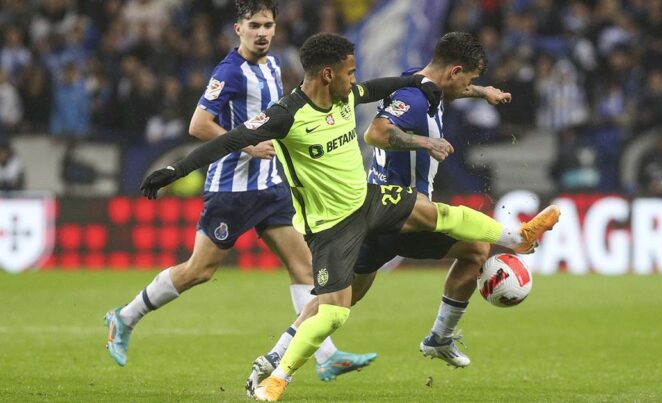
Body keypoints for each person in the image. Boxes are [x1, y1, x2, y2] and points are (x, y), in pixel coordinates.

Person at [138, 33, 560, 401]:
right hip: (332, 228)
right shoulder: (286, 116)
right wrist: (175, 172)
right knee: (335, 312)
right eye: (350, 72)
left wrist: (469, 89)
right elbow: (228, 140)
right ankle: (275, 378)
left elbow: (390, 84)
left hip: (370, 200)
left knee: (438, 214)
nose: (355, 80)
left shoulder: (347, 95)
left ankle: (518, 237)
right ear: (327, 74)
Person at [104, 1, 375, 381]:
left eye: (268, 25)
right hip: (232, 189)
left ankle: (324, 355)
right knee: (199, 270)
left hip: (269, 186)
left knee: (304, 268)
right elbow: (199, 124)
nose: (262, 32)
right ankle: (125, 316)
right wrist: (248, 146)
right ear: (238, 29)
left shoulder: (275, 63)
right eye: (255, 25)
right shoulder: (230, 71)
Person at [248, 32, 515, 376]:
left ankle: (274, 358)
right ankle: (442, 333)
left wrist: (483, 92)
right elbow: (375, 132)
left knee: (341, 300)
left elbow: (443, 86)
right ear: (454, 71)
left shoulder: (420, 82)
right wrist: (424, 142)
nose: (470, 87)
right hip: (397, 210)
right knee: (476, 247)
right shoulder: (415, 99)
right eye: (470, 80)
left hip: (382, 210)